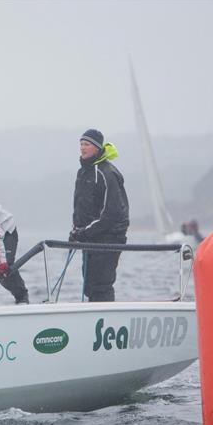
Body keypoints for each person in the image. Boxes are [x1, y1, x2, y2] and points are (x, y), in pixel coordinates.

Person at [69, 129, 130, 302]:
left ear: (97, 147)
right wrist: (75, 231)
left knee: (101, 285)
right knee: (89, 285)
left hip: (108, 238)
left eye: (86, 144)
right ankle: (92, 321)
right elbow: (81, 208)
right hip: (90, 238)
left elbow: (111, 213)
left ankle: (106, 322)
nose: (82, 148)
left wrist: (85, 232)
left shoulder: (107, 173)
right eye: (81, 144)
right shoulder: (83, 172)